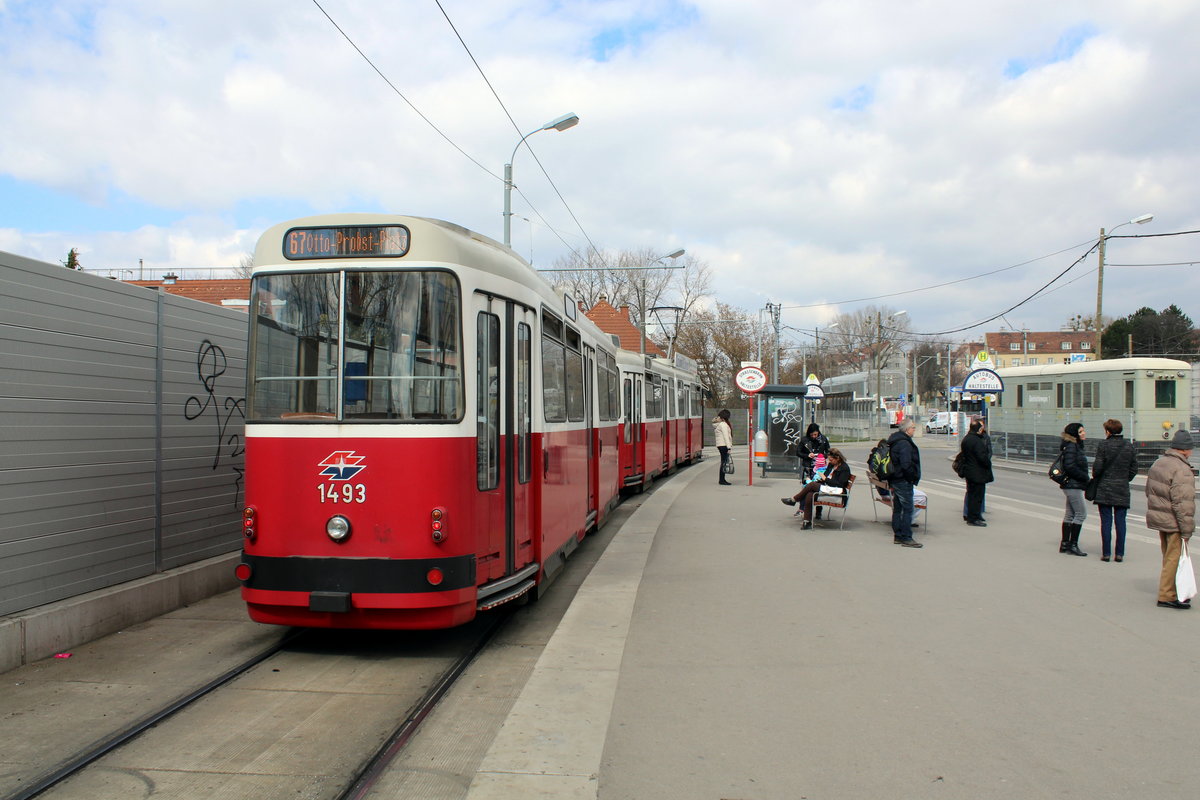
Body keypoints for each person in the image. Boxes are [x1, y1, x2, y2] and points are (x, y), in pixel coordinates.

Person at [1145, 430, 1196, 609]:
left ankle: (1173, 591)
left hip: (1161, 518)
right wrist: (1186, 530)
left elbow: (1149, 491)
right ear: (1186, 449)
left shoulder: (1159, 462)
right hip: (1175, 521)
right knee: (1174, 558)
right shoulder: (1182, 469)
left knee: (1168, 557)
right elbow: (1182, 503)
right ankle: (1167, 595)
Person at [1091, 418, 1139, 562]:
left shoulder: (1103, 445)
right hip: (1122, 489)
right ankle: (1119, 554)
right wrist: (1125, 479)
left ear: (1108, 431)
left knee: (1106, 522)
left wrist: (1098, 477)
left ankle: (1106, 553)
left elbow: (1097, 468)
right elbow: (1134, 468)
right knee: (1121, 522)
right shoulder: (1129, 446)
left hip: (1105, 488)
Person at [781, 448, 851, 530]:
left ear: (838, 458)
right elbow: (825, 476)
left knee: (811, 485)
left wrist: (825, 479)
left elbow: (840, 484)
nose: (830, 461)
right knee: (810, 494)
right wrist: (820, 480)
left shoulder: (844, 468)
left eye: (831, 460)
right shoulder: (831, 465)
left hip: (837, 491)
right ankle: (807, 522)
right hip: (827, 487)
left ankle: (794, 499)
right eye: (829, 459)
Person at [869, 438, 927, 526]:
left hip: (883, 492)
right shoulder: (890, 459)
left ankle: (904, 517)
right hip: (891, 492)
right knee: (923, 497)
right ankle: (909, 520)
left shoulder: (877, 459)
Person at [887, 418, 923, 547]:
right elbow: (906, 464)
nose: (914, 429)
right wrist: (911, 477)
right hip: (903, 480)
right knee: (908, 509)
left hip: (895, 479)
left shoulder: (895, 440)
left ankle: (898, 535)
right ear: (907, 429)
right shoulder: (904, 443)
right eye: (913, 427)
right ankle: (906, 537)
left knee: (898, 508)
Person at [1058, 422, 1089, 556]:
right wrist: (1085, 477)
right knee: (1081, 514)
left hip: (1071, 484)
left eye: (1083, 431)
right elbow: (1070, 466)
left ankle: (1065, 544)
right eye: (1080, 431)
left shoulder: (1073, 445)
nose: (1083, 433)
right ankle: (1073, 545)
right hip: (1073, 484)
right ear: (1074, 434)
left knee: (1070, 514)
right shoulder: (1072, 446)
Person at [958, 418, 993, 527]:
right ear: (978, 429)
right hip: (977, 472)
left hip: (969, 471)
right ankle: (974, 518)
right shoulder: (976, 441)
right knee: (977, 496)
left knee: (972, 494)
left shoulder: (966, 439)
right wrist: (988, 463)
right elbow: (982, 457)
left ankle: (973, 516)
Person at [713, 409, 733, 486]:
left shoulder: (719, 424)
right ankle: (722, 480)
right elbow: (726, 436)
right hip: (724, 445)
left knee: (723, 462)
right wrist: (729, 447)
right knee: (724, 463)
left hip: (721, 445)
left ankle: (722, 479)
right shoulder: (723, 425)